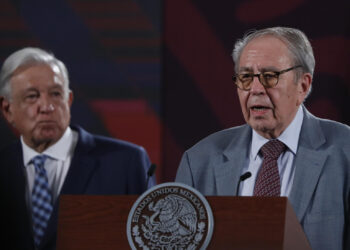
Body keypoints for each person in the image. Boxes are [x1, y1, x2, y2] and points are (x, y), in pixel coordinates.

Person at [175, 27, 350, 250]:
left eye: (270, 76)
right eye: (246, 77)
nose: (256, 89)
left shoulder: (345, 151)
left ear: (303, 86)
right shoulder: (199, 161)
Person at [0, 47, 156, 250]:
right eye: (32, 96)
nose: (47, 106)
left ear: (69, 100)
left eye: (56, 94)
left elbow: (153, 241)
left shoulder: (126, 162)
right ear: (7, 109)